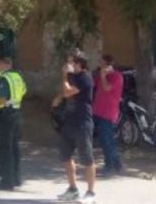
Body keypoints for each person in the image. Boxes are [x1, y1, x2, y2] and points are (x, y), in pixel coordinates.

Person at [52, 52, 96, 203]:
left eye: (70, 62)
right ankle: (73, 189)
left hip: (82, 122)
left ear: (79, 64)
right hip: (68, 122)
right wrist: (58, 98)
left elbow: (68, 91)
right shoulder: (74, 78)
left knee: (87, 159)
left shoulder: (85, 77)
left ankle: (91, 193)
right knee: (66, 156)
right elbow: (65, 93)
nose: (67, 65)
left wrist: (64, 76)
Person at [0, 55, 26, 191]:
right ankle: (16, 178)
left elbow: (1, 99)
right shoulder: (18, 77)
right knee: (14, 148)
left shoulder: (4, 79)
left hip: (4, 116)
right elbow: (23, 92)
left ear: (3, 63)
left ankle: (7, 181)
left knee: (5, 149)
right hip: (15, 113)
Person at [93, 54, 124, 175]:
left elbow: (106, 88)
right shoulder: (101, 75)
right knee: (106, 139)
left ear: (107, 64)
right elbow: (93, 84)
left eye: (101, 62)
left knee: (107, 140)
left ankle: (109, 165)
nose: (99, 64)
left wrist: (103, 76)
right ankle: (117, 164)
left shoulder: (116, 76)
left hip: (108, 113)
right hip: (98, 111)